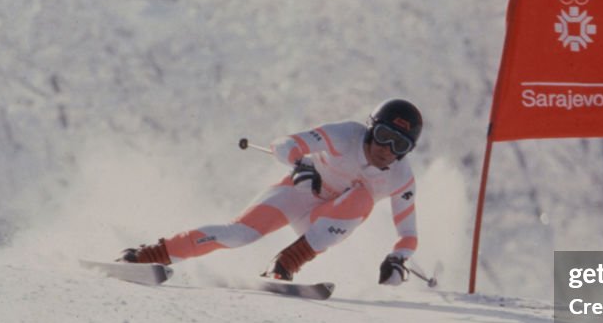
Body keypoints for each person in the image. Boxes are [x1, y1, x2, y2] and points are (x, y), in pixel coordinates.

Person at [118, 99, 422, 286]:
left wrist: (397, 258)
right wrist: (298, 163)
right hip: (297, 194)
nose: (387, 150)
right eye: (383, 136)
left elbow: (408, 233)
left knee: (361, 198)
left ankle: (285, 265)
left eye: (400, 145)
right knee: (239, 234)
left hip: (323, 221)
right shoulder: (345, 134)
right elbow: (284, 143)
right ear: (370, 130)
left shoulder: (401, 177)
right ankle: (147, 255)